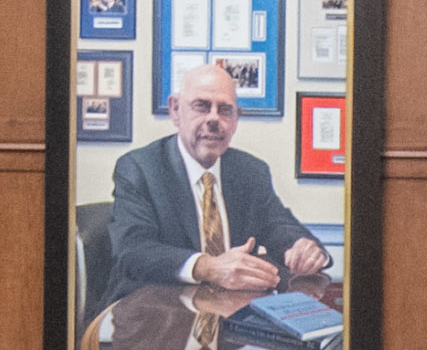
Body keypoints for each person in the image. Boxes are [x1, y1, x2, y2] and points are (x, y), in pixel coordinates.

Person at [107, 57, 329, 304]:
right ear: (175, 110)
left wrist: (302, 248)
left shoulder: (251, 171)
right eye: (201, 106)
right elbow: (133, 251)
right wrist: (208, 267)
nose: (214, 120)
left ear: (236, 119)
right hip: (154, 312)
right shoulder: (140, 168)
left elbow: (279, 226)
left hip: (231, 316)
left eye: (225, 110)